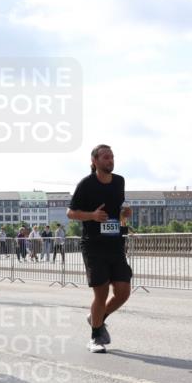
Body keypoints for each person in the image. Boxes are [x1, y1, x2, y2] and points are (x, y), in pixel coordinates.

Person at [67, 144, 132, 354]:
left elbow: (117, 212)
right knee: (101, 292)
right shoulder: (86, 184)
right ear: (95, 161)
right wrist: (92, 216)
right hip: (93, 244)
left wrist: (124, 215)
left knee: (123, 292)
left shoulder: (119, 181)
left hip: (115, 243)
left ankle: (97, 317)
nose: (110, 160)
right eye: (106, 157)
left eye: (112, 156)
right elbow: (71, 213)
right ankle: (95, 337)